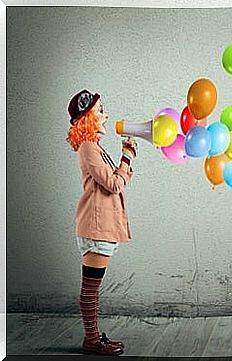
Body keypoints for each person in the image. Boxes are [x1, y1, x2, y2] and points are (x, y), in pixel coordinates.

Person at [66, 90, 137, 356]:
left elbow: (115, 181)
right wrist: (127, 156)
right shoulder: (88, 148)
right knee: (91, 287)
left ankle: (94, 339)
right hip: (95, 227)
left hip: (100, 226)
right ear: (88, 119)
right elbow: (115, 183)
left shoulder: (93, 146)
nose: (105, 115)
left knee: (92, 286)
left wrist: (125, 160)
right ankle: (92, 341)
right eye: (100, 111)